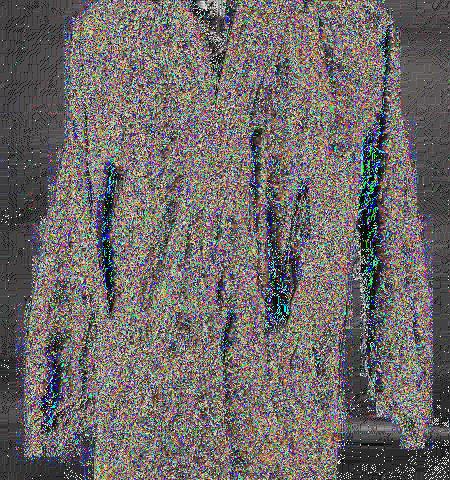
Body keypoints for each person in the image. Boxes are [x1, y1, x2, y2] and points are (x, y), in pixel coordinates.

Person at [22, 0, 433, 478]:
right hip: (147, 413)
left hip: (284, 414)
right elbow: (76, 220)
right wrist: (55, 395)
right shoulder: (111, 32)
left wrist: (404, 384)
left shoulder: (349, 34)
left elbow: (387, 213)